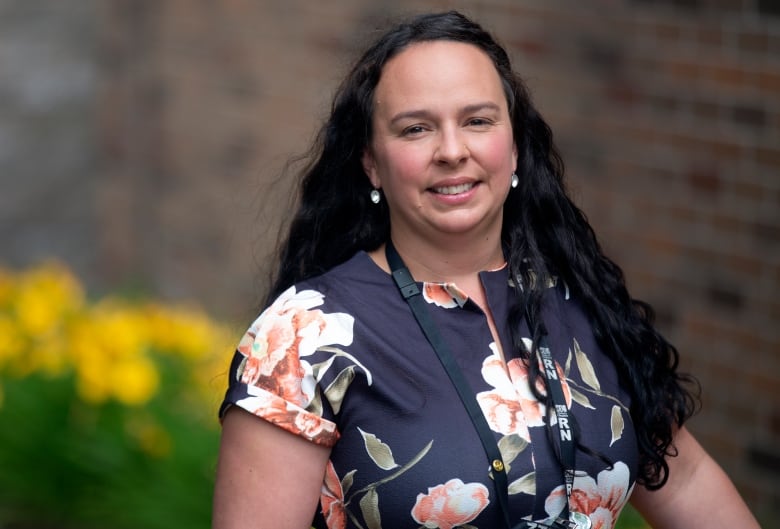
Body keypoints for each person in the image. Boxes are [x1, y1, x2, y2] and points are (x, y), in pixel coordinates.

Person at [212, 10, 760, 529]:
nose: (453, 150)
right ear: (371, 163)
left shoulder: (584, 306)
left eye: (477, 120)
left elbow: (684, 479)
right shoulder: (304, 336)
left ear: (515, 147)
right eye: (415, 129)